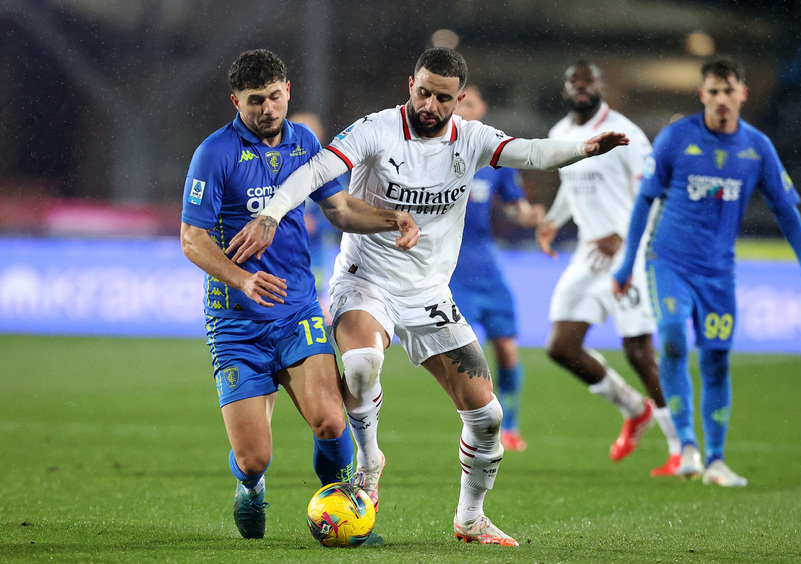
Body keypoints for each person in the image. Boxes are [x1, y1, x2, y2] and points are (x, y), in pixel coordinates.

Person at [226, 47, 628, 546]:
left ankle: (470, 517)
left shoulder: (474, 140)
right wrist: (271, 214)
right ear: (409, 85)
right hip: (364, 279)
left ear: (459, 99)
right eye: (423, 92)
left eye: (443, 97)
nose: (430, 105)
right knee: (361, 364)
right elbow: (314, 170)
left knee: (487, 416)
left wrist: (584, 149)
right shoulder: (376, 128)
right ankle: (369, 460)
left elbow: (531, 151)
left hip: (429, 293)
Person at [179, 48, 419, 540]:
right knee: (253, 457)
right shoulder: (214, 154)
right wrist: (242, 279)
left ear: (287, 91)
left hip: (296, 312)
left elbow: (339, 209)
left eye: (273, 97)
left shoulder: (304, 141)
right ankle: (250, 487)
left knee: (332, 422)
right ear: (235, 102)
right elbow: (192, 238)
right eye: (254, 101)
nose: (267, 109)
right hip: (237, 322)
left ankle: (350, 510)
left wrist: (390, 217)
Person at [613, 57, 801, 487]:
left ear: (742, 94)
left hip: (719, 273)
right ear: (702, 96)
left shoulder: (757, 148)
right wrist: (626, 264)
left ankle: (715, 460)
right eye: (713, 92)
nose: (721, 100)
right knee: (672, 337)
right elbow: (644, 203)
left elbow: (786, 211)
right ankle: (686, 445)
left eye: (729, 91)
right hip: (669, 262)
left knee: (715, 361)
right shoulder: (676, 138)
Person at [536, 60, 681, 476]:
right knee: (561, 347)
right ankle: (635, 409)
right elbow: (570, 183)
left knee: (639, 352)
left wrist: (623, 235)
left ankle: (680, 447)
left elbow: (654, 192)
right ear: (566, 88)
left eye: (590, 81)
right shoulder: (560, 135)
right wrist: (552, 220)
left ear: (602, 86)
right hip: (588, 252)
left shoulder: (627, 135)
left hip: (628, 253)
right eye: (575, 81)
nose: (582, 88)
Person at [449, 84, 546, 453]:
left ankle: (513, 427)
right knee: (468, 356)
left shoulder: (495, 157)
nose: (461, 110)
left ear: (482, 108)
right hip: (453, 269)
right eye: (456, 104)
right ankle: (478, 425)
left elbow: (513, 206)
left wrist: (527, 215)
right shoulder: (438, 155)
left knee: (507, 349)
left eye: (468, 103)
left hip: (486, 267)